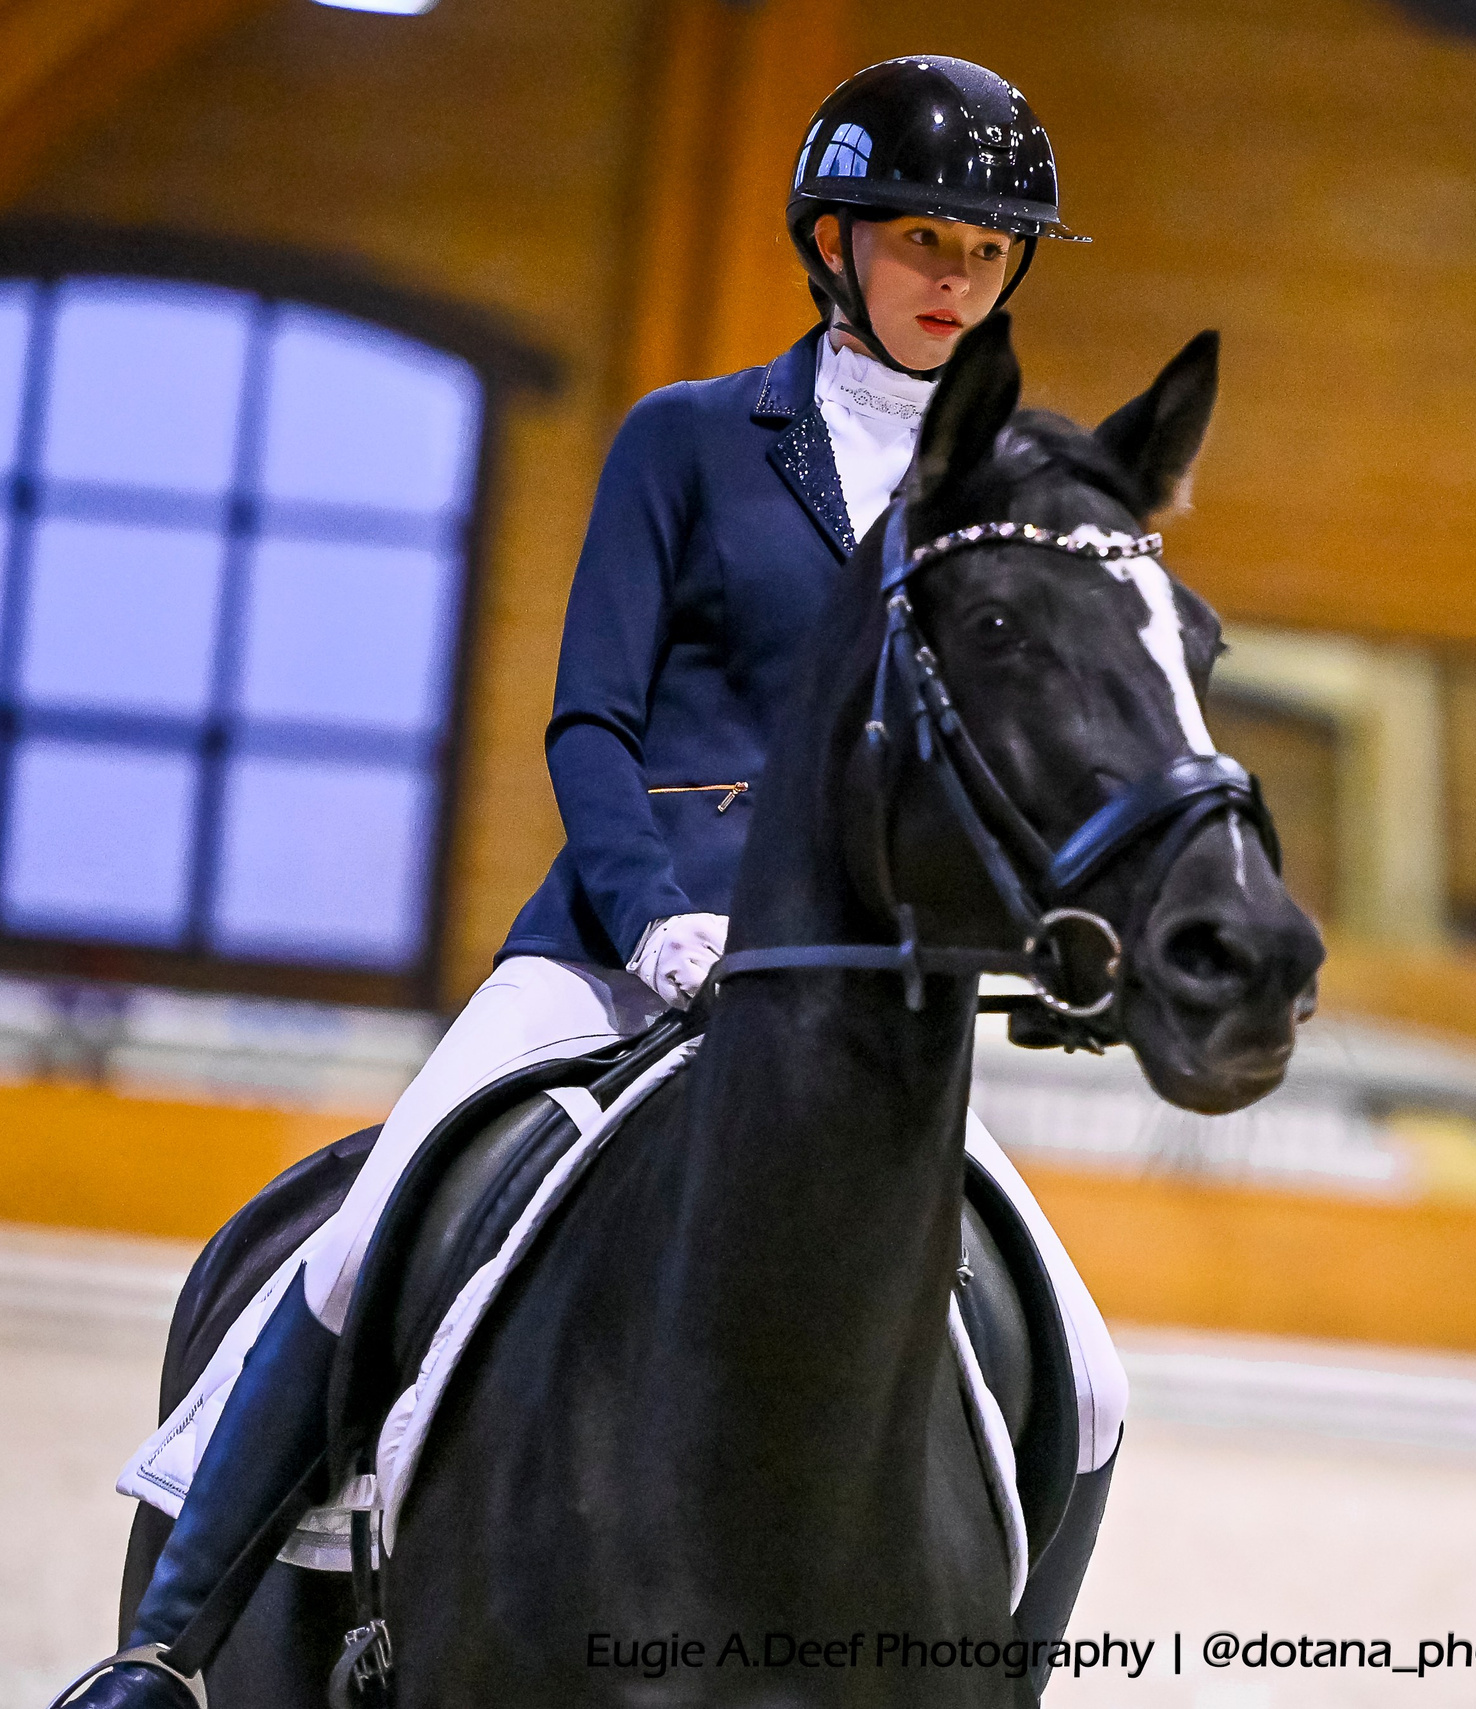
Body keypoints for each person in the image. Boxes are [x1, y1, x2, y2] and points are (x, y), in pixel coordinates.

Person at [58, 55, 1122, 1709]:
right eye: (925, 241)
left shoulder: (1001, 512)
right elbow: (590, 719)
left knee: (1092, 1374)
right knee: (367, 1235)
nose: (957, 283)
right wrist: (651, 912)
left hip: (847, 1000)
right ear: (832, 240)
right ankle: (165, 1648)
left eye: (989, 255)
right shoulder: (691, 441)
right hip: (626, 941)